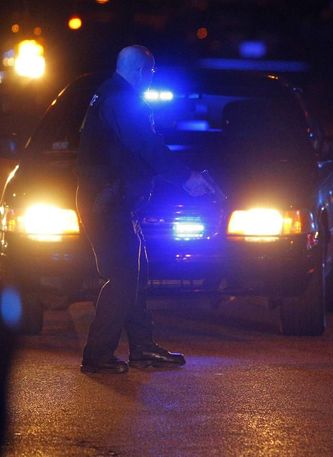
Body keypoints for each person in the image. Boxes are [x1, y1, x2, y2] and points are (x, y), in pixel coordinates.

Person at [76, 45, 214, 374]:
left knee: (134, 276)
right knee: (123, 277)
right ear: (140, 71)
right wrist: (186, 178)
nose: (151, 80)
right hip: (107, 203)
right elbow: (146, 147)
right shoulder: (123, 101)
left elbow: (135, 152)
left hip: (114, 201)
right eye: (151, 73)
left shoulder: (110, 94)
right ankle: (97, 357)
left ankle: (142, 349)